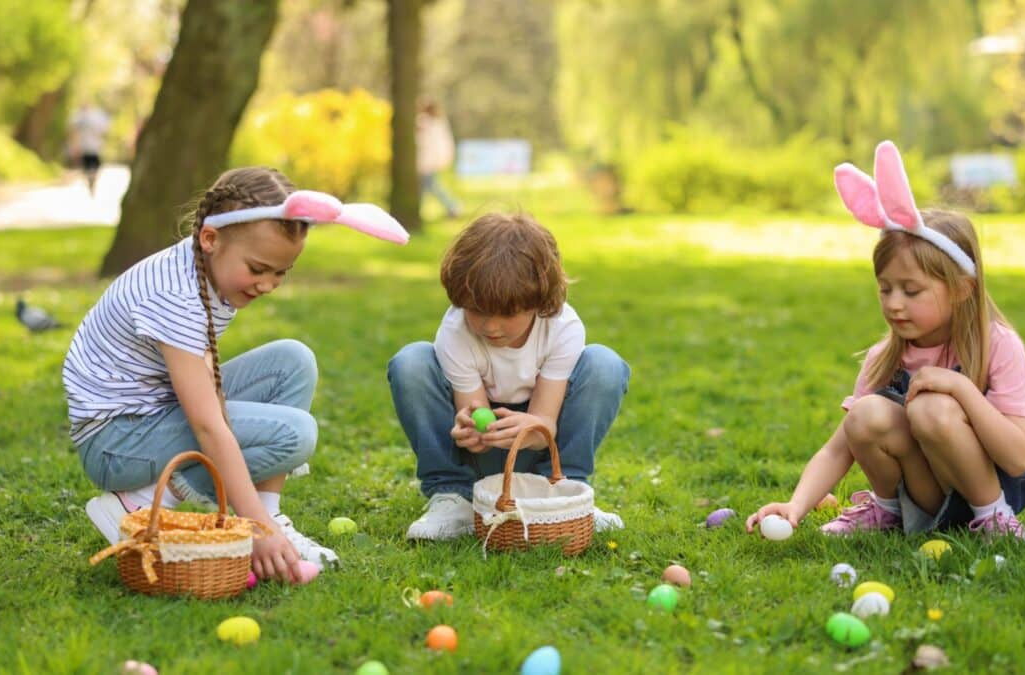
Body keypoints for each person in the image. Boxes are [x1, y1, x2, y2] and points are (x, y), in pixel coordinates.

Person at [64, 167, 409, 580]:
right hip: (117, 442)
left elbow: (206, 381)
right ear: (210, 238)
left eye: (281, 272)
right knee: (294, 433)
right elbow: (207, 425)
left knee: (292, 361)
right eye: (258, 268)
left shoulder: (201, 266)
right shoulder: (174, 296)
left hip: (151, 415)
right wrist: (255, 529)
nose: (267, 285)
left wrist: (259, 519)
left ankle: (266, 514)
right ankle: (139, 503)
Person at [745, 141, 1025, 541]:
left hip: (997, 486)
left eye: (911, 291)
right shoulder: (885, 357)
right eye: (885, 289)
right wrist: (795, 505)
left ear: (961, 289)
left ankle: (994, 521)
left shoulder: (999, 345)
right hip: (929, 492)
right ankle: (889, 512)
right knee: (864, 413)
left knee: (932, 407)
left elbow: (1019, 458)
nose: (894, 304)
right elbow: (839, 448)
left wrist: (960, 388)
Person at [387, 212, 630, 540]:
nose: (490, 326)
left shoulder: (562, 328)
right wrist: (473, 433)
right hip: (481, 460)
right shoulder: (456, 330)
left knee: (604, 364)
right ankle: (454, 497)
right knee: (411, 361)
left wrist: (531, 427)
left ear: (538, 303)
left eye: (506, 314)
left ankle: (562, 493)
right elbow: (478, 420)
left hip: (540, 449)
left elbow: (544, 425)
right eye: (477, 311)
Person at [416, 98, 461, 218]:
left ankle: (453, 206)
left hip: (427, 162)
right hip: (431, 161)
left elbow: (423, 142)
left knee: (430, 186)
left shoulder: (425, 122)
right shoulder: (438, 122)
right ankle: (452, 207)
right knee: (425, 187)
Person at [67, 102, 111, 194]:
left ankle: (91, 181)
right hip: (87, 148)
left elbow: (103, 131)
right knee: (89, 169)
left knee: (92, 169)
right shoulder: (79, 118)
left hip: (92, 148)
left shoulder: (91, 116)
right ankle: (91, 181)